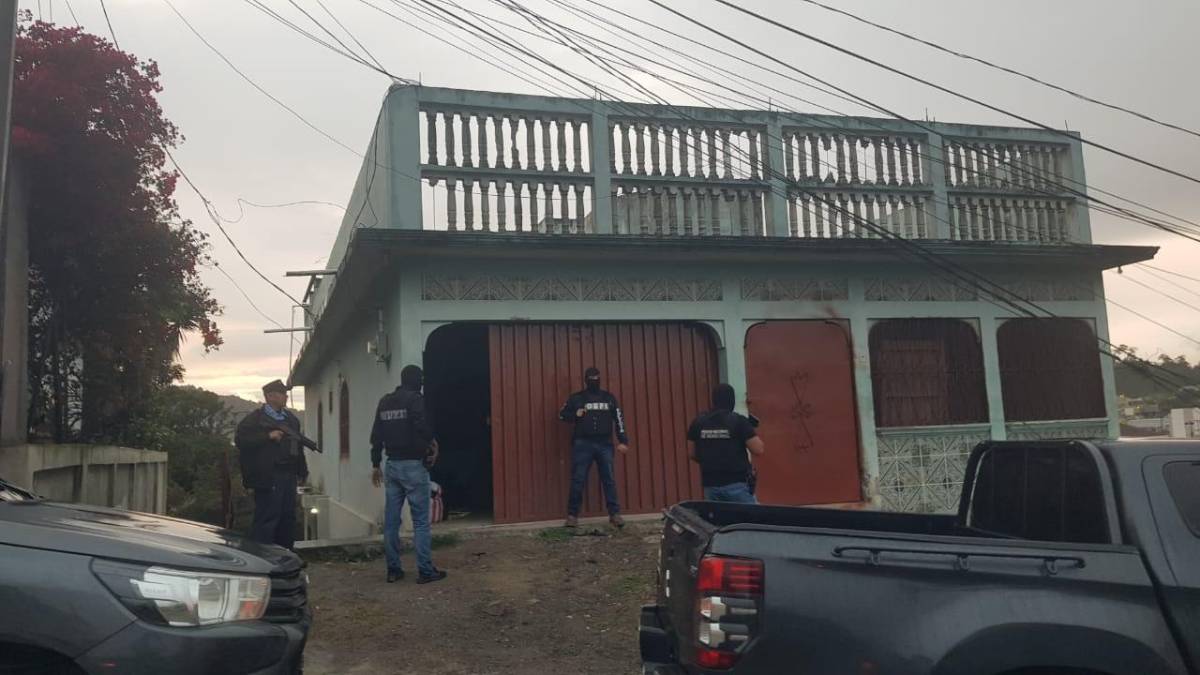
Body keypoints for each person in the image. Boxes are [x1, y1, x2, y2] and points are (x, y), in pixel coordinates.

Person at [370, 365, 447, 585]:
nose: (422, 382)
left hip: (392, 465)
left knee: (392, 522)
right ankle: (425, 571)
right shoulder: (415, 400)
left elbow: (376, 435)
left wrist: (376, 463)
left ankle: (393, 570)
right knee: (421, 522)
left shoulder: (385, 401)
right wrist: (432, 442)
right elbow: (421, 426)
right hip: (413, 466)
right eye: (421, 378)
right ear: (415, 380)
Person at [234, 379, 309, 550]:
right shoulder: (254, 420)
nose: (286, 397)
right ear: (271, 396)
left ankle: (285, 557)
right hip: (267, 476)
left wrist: (302, 471)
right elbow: (241, 441)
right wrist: (268, 436)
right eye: (283, 394)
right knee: (267, 518)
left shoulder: (291, 419)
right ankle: (262, 559)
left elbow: (297, 447)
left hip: (288, 474)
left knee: (287, 518)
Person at [558, 366, 629, 528]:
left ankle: (615, 514)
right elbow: (561, 415)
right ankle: (572, 516)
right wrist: (574, 414)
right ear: (586, 380)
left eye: (596, 378)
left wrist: (623, 440)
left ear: (600, 379)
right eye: (591, 379)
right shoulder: (576, 398)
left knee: (609, 479)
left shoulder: (609, 398)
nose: (594, 381)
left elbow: (619, 420)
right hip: (583, 444)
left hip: (605, 444)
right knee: (578, 479)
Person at [687, 384, 765, 504]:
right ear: (732, 400)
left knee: (718, 521)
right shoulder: (739, 421)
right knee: (753, 519)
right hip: (737, 485)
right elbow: (758, 449)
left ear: (714, 400)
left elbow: (692, 453)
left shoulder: (698, 422)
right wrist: (750, 429)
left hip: (710, 485)